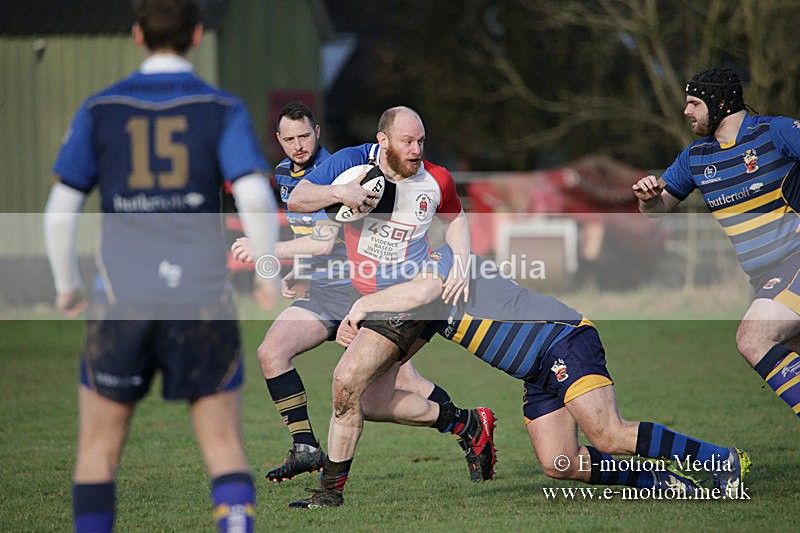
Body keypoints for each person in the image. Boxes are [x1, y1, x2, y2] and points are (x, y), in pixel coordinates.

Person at [43, 1, 279, 531]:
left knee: (98, 453)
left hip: (121, 298)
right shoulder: (220, 108)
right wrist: (267, 273)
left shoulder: (101, 107)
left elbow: (61, 212)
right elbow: (255, 197)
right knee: (223, 447)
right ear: (197, 35)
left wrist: (66, 286)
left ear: (136, 35)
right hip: (200, 298)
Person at [338, 246, 751, 499]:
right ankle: (665, 483)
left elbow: (424, 290)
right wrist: (358, 348)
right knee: (559, 463)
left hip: (562, 340)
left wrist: (362, 308)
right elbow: (387, 362)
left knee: (607, 433)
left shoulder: (445, 260)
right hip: (537, 372)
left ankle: (720, 461)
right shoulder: (416, 304)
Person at [230, 101, 460, 483]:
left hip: (358, 292)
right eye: (288, 139)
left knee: (393, 388)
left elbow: (322, 242)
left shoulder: (345, 169)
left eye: (304, 135)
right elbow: (310, 228)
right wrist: (301, 273)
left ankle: (467, 426)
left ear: (317, 132)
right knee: (272, 352)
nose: (297, 145)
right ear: (278, 141)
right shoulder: (286, 173)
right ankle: (305, 446)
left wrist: (265, 250)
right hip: (323, 290)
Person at [283, 106, 496, 508]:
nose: (417, 150)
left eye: (421, 142)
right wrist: (338, 193)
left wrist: (462, 264)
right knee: (371, 402)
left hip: (411, 298)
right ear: (382, 141)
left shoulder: (436, 178)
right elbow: (298, 199)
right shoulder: (350, 163)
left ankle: (329, 493)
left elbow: (455, 217)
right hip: (372, 298)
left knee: (345, 380)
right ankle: (468, 425)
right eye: (407, 141)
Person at [632, 66, 800, 419]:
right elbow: (658, 209)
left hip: (794, 263)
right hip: (766, 280)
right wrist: (648, 197)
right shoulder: (695, 157)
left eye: (693, 103)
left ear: (720, 102)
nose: (686, 112)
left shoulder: (775, 132)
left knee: (752, 338)